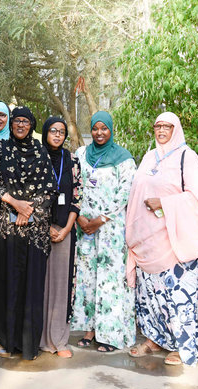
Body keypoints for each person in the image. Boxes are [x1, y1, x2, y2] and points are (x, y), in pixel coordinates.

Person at [126, 112, 198, 366]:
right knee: (152, 295)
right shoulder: (148, 157)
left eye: (167, 126)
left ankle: (181, 344)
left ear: (176, 129)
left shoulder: (188, 158)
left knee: (177, 294)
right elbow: (135, 195)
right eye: (158, 126)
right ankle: (154, 339)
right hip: (148, 241)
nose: (161, 130)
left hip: (175, 240)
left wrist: (164, 203)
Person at [0, 106, 55, 360]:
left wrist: (27, 211)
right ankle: (7, 340)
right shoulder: (0, 149)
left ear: (31, 125)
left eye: (25, 121)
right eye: (17, 121)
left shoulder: (40, 151)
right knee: (6, 284)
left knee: (30, 286)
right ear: (11, 124)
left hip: (33, 231)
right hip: (6, 230)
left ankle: (28, 342)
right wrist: (14, 203)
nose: (20, 125)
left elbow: (49, 188)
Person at [69, 111, 136, 353]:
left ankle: (109, 334)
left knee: (109, 280)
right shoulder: (81, 154)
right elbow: (74, 185)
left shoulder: (124, 158)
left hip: (110, 228)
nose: (99, 133)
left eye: (104, 128)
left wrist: (99, 220)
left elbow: (125, 193)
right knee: (88, 278)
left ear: (111, 129)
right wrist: (80, 218)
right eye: (95, 128)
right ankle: (89, 330)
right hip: (84, 227)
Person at [38, 117, 81, 358]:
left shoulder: (72, 160)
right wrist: (44, 226)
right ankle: (40, 338)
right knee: (39, 284)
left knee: (61, 284)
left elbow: (77, 196)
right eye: (53, 130)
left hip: (65, 229)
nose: (57, 134)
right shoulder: (36, 156)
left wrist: (66, 229)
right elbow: (30, 195)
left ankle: (59, 339)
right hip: (38, 229)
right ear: (45, 132)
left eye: (62, 131)